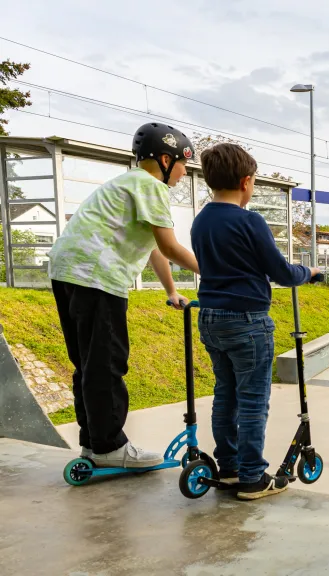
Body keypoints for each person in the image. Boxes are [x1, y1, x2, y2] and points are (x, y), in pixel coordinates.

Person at [49, 122, 200, 469]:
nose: (182, 174)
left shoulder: (125, 183)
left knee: (87, 362)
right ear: (165, 159)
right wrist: (217, 272)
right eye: (183, 165)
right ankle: (110, 446)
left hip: (67, 272)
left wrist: (171, 290)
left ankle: (93, 444)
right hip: (97, 276)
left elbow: (153, 250)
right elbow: (171, 246)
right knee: (106, 362)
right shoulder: (150, 186)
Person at [191, 143, 320, 499]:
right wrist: (308, 271)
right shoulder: (250, 221)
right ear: (247, 181)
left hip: (211, 318)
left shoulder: (201, 220)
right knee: (251, 400)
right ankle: (252, 477)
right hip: (247, 321)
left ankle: (230, 467)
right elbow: (280, 271)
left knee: (225, 395)